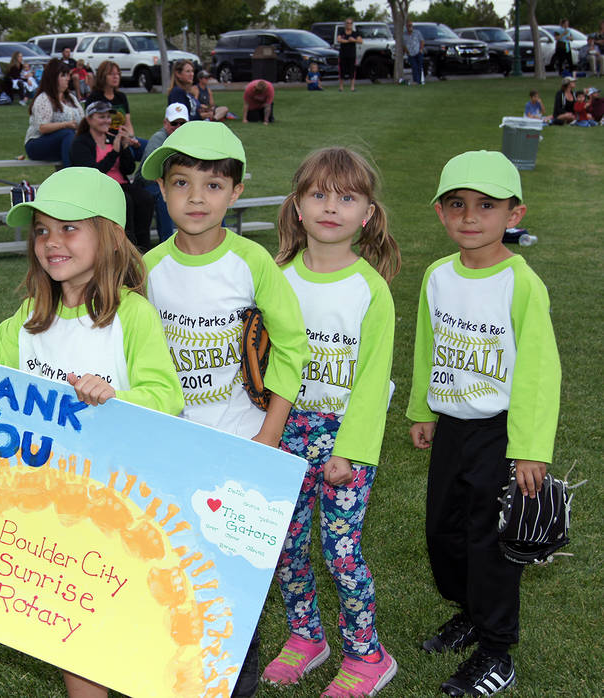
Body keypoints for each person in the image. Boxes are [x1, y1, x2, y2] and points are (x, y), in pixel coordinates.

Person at [0, 167, 183, 698]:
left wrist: (115, 397)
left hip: (122, 507)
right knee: (75, 641)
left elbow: (166, 397)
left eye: (69, 228)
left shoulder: (132, 316)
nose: (52, 242)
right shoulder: (31, 318)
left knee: (135, 638)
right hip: (53, 511)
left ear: (109, 236)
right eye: (42, 230)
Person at [139, 120, 309, 698]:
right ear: (162, 190)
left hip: (243, 442)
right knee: (170, 571)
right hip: (171, 447)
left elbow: (292, 345)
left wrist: (271, 431)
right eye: (181, 182)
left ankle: (235, 687)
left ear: (236, 193)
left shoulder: (253, 262)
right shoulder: (148, 268)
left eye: (213, 185)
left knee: (236, 584)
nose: (195, 198)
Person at [407, 150, 560, 698]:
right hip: (451, 425)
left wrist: (530, 449)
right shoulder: (438, 275)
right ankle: (469, 612)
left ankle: (497, 649)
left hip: (500, 433)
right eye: (456, 205)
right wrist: (423, 409)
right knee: (442, 533)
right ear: (441, 213)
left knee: (490, 542)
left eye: (486, 206)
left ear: (513, 214)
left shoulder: (520, 284)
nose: (469, 217)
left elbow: (539, 373)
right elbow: (428, 344)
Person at [260, 147, 400, 697]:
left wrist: (348, 449)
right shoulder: (276, 279)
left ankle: (367, 656)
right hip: (285, 427)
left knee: (341, 551)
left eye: (346, 197)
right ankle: (305, 636)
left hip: (345, 437)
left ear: (366, 214)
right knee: (286, 544)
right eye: (318, 194)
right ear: (297, 205)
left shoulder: (372, 290)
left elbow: (371, 382)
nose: (331, 207)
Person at [70, 101, 153, 252]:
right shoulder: (81, 143)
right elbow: (91, 174)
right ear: (89, 119)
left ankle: (144, 248)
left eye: (108, 117)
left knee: (145, 198)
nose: (107, 120)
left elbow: (128, 169)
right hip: (98, 186)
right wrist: (114, 152)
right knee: (125, 200)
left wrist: (125, 148)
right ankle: (127, 248)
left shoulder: (112, 137)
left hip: (120, 183)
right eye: (102, 117)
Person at [134, 103, 187, 242]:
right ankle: (167, 241)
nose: (178, 127)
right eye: (174, 123)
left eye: (183, 123)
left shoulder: (190, 139)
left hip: (175, 183)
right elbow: (150, 172)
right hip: (149, 183)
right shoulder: (158, 138)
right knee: (165, 197)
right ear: (165, 123)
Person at [23, 58, 83, 166]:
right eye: (63, 75)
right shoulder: (44, 98)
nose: (68, 79)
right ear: (53, 77)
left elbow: (83, 121)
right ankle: (69, 176)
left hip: (67, 142)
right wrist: (66, 125)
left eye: (68, 75)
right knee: (68, 134)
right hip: (37, 143)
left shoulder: (71, 99)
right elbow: (43, 127)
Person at [337, 18, 363, 92]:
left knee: (352, 71)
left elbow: (361, 41)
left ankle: (352, 87)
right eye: (347, 23)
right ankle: (341, 87)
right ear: (345, 24)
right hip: (343, 55)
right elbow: (339, 39)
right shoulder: (341, 33)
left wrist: (354, 40)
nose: (349, 25)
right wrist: (348, 41)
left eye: (350, 23)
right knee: (342, 70)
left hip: (352, 55)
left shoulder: (355, 33)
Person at [403, 19, 426, 85]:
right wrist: (407, 52)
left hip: (418, 52)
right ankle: (416, 81)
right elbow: (404, 44)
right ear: (406, 26)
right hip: (410, 53)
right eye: (408, 25)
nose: (410, 27)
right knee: (414, 67)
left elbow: (422, 41)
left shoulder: (417, 32)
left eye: (411, 25)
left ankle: (420, 80)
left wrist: (421, 49)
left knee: (419, 66)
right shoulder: (404, 35)